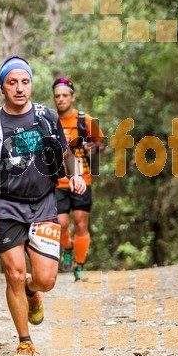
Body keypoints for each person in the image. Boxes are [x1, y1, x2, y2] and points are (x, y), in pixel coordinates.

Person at [0, 56, 86, 356]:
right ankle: (25, 342)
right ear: (2, 87)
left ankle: (34, 293)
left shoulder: (45, 116)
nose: (20, 88)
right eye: (12, 82)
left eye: (25, 82)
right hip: (5, 206)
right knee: (15, 274)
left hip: (44, 204)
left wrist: (75, 175)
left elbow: (66, 152)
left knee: (45, 279)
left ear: (31, 84)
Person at [52, 77, 106, 280]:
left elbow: (102, 143)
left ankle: (79, 265)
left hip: (83, 179)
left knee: (81, 222)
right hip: (58, 181)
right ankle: (67, 247)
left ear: (72, 97)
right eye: (57, 96)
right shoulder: (50, 120)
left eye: (65, 95)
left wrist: (92, 147)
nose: (61, 99)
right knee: (61, 223)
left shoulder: (85, 120)